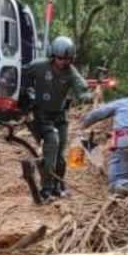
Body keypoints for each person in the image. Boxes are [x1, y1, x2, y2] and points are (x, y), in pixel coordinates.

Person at [18, 35, 92, 199]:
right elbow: (20, 74)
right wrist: (26, 93)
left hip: (60, 116)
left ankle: (59, 185)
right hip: (42, 115)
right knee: (52, 144)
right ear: (53, 56)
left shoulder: (71, 72)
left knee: (60, 153)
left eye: (67, 59)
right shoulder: (39, 66)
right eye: (60, 58)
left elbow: (82, 87)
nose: (63, 63)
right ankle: (46, 187)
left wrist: (86, 95)